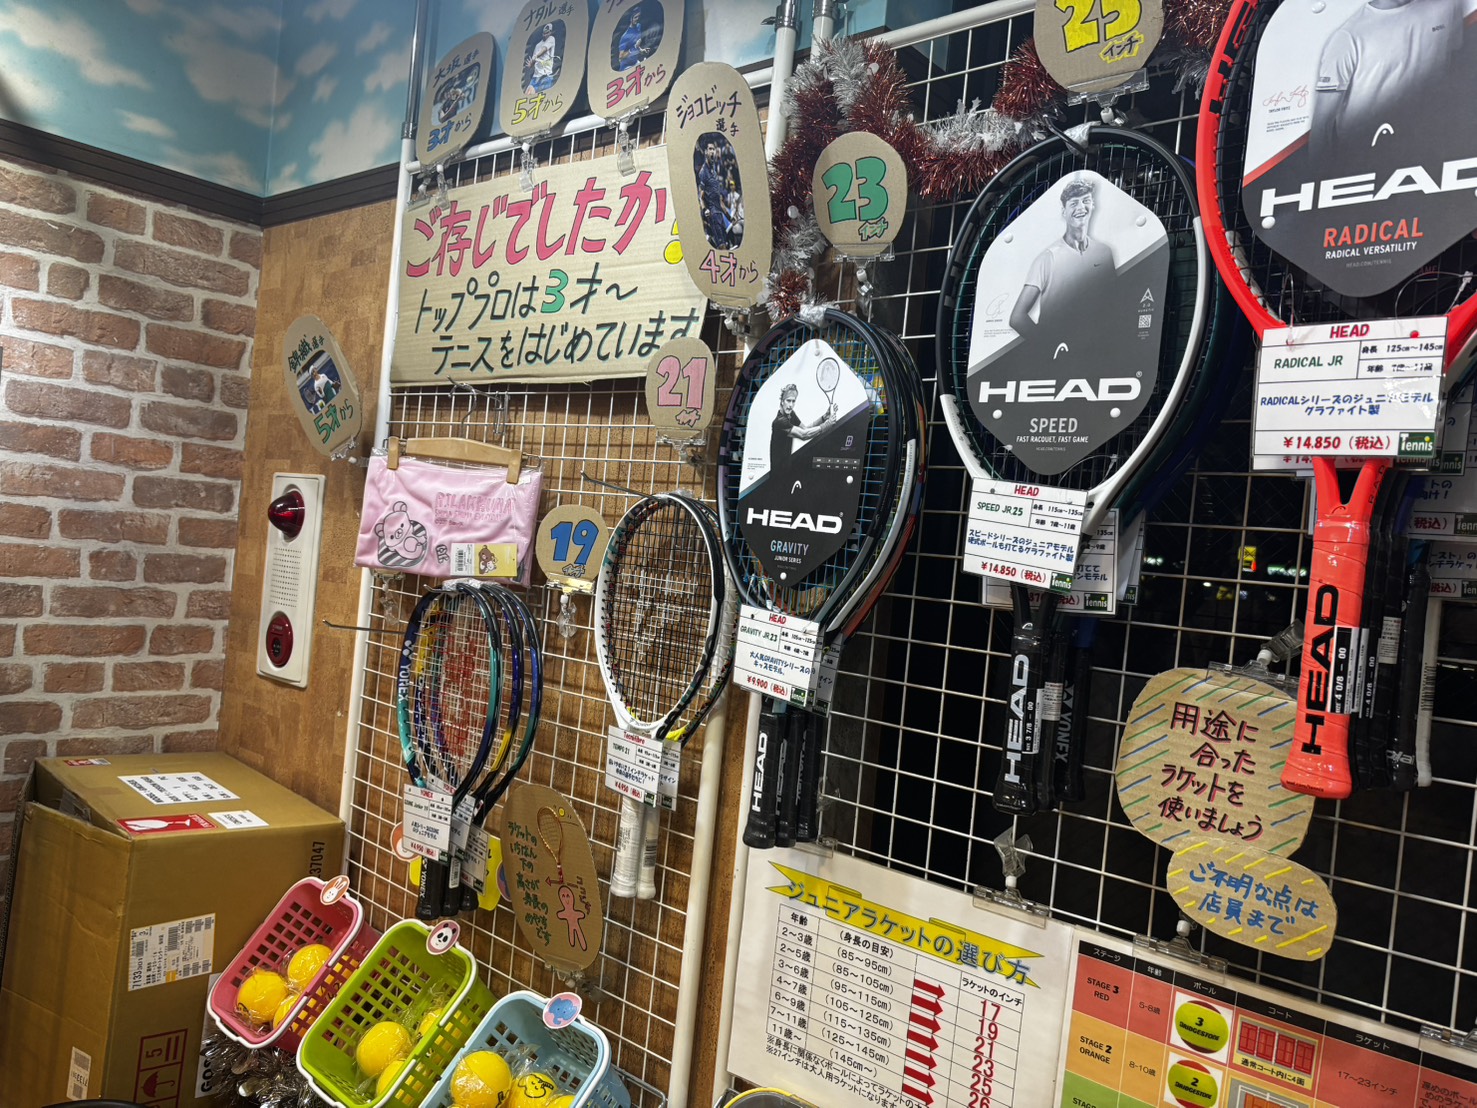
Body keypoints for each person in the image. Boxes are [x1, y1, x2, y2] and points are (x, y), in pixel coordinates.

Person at [1310, 0, 1468, 159]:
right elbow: (1322, 127)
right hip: (1369, 159)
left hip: (1435, 148)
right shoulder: (1346, 38)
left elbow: (1458, 66)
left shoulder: (1448, 6)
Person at [1009, 177, 1115, 335]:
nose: (1081, 207)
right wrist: (1047, 345)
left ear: (1093, 204)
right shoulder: (1047, 258)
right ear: (1064, 211)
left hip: (1097, 345)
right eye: (1074, 203)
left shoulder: (1104, 253)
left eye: (1085, 200)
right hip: (1060, 348)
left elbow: (1113, 302)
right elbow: (1017, 318)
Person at [770, 383, 836, 465]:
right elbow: (804, 435)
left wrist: (823, 418)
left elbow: (805, 429)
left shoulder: (791, 414)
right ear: (782, 401)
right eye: (788, 400)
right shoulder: (780, 421)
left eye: (793, 401)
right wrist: (827, 424)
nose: (791, 405)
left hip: (787, 467)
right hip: (778, 471)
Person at [698, 141, 729, 248]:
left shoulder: (714, 172)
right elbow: (701, 196)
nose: (712, 151)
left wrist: (729, 217)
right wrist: (705, 210)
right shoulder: (703, 172)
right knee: (722, 247)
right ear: (706, 152)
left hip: (720, 215)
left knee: (726, 245)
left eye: (713, 149)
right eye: (710, 149)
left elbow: (719, 199)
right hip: (713, 214)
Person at [525, 24, 559, 95]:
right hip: (536, 76)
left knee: (547, 95)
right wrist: (531, 64)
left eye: (548, 32)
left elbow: (544, 49)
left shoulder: (551, 39)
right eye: (544, 33)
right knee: (528, 93)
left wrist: (536, 56)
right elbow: (534, 59)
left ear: (550, 32)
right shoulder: (537, 45)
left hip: (546, 75)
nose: (546, 34)